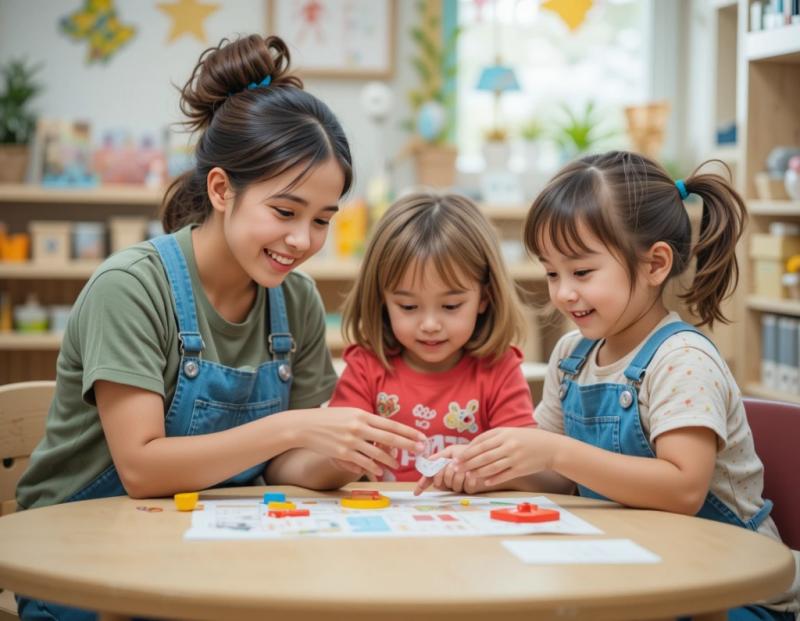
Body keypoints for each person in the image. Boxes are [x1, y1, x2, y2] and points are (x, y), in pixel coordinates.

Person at [15, 34, 427, 620]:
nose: (302, 241)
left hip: (208, 551)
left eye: (322, 220)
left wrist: (348, 451)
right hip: (83, 566)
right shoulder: (132, 288)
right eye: (285, 212)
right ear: (220, 190)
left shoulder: (296, 301)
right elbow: (141, 468)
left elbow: (287, 465)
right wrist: (292, 426)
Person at [451, 151, 798, 619]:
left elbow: (683, 489)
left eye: (582, 272)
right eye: (552, 272)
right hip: (638, 572)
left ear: (655, 264)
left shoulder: (682, 360)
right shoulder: (571, 356)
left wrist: (553, 451)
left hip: (731, 592)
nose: (563, 292)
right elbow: (559, 479)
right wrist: (493, 467)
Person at [328, 192, 535, 492]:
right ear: (382, 301)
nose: (429, 325)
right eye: (408, 307)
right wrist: (340, 457)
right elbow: (334, 459)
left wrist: (486, 469)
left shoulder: (498, 369)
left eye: (451, 306)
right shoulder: (366, 367)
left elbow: (532, 468)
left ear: (484, 298)